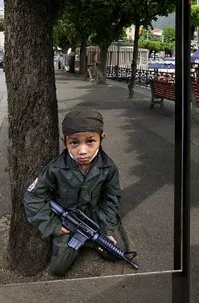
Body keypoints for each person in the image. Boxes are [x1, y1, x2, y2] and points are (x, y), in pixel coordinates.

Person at [24, 109, 127, 276]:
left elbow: (111, 198)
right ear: (65, 142)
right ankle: (83, 242)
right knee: (58, 268)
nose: (82, 151)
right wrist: (53, 226)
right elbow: (33, 196)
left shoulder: (109, 168)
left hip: (96, 217)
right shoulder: (55, 169)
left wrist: (107, 227)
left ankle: (92, 240)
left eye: (90, 141)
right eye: (74, 143)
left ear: (101, 139)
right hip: (68, 221)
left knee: (117, 252)